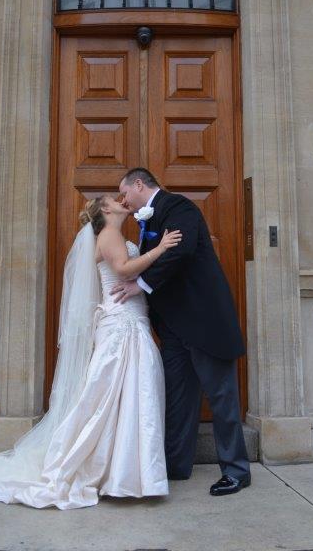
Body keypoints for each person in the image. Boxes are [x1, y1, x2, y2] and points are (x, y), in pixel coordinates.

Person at [0, 195, 181, 510]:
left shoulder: (115, 235)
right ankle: (120, 474)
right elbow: (124, 270)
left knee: (126, 397)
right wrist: (161, 247)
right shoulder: (109, 235)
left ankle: (125, 473)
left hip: (128, 320)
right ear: (106, 210)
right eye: (115, 199)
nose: (122, 199)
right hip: (123, 325)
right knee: (112, 397)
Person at [114, 168, 251, 496]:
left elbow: (181, 250)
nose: (124, 201)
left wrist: (140, 286)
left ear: (139, 184)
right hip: (173, 327)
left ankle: (236, 470)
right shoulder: (144, 219)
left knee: (221, 398)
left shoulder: (180, 208)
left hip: (203, 322)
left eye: (125, 193)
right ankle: (176, 464)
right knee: (177, 397)